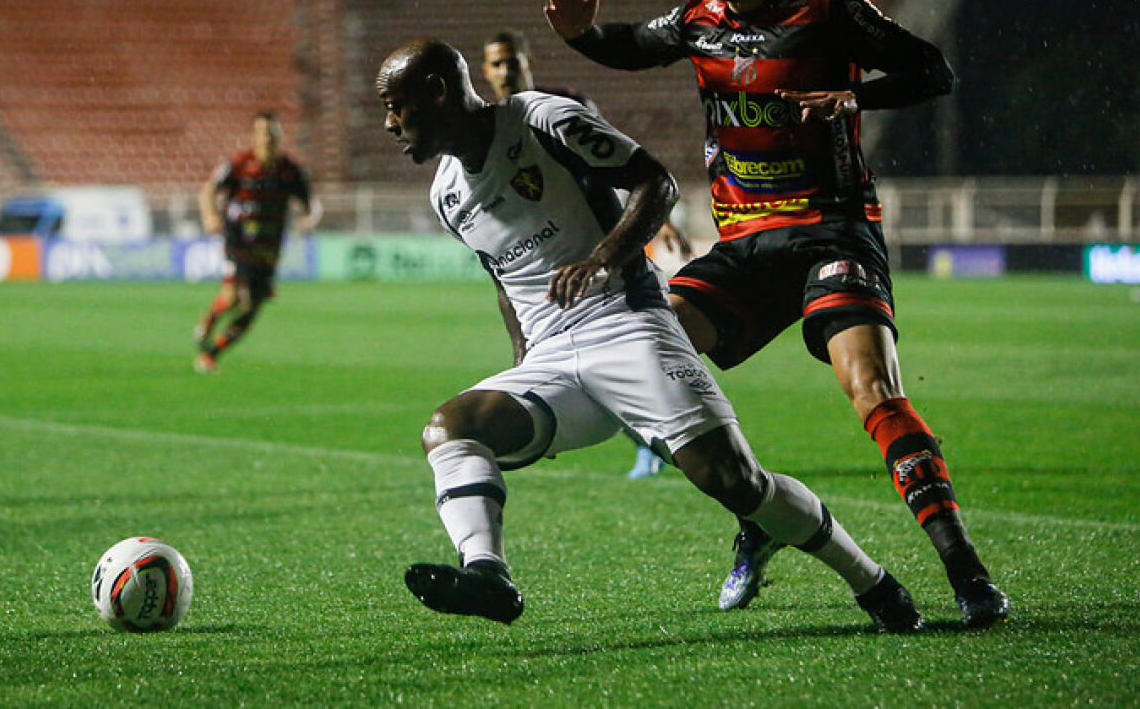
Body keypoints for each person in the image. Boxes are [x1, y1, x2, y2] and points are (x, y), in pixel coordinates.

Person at [543, 0, 1008, 629]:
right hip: (744, 245)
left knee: (873, 392)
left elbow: (934, 70)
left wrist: (853, 94)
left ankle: (966, 570)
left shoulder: (830, 7)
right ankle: (761, 511)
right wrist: (583, 36)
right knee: (649, 355)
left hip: (832, 228)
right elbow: (634, 45)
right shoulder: (700, 11)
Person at [378, 37, 923, 632]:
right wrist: (522, 362)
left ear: (436, 92)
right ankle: (487, 573)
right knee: (451, 428)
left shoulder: (541, 118)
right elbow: (505, 282)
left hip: (628, 323)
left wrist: (606, 259)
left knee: (735, 482)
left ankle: (872, 582)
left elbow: (655, 183)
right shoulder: (446, 195)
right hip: (553, 359)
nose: (389, 122)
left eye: (395, 104)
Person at [481, 29, 693, 479]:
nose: (506, 71)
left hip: (600, 259)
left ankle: (677, 435)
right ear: (485, 72)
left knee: (626, 352)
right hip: (541, 272)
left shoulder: (563, 105)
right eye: (496, 64)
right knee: (577, 366)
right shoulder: (487, 129)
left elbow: (621, 162)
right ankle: (650, 439)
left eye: (512, 61)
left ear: (528, 61)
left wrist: (662, 219)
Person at [193, 111, 321, 372]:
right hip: (238, 242)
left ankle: (213, 353)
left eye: (272, 133)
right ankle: (210, 319)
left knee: (252, 309)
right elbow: (209, 190)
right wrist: (209, 215)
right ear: (254, 136)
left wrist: (310, 220)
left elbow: (310, 204)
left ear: (280, 136)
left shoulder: (290, 171)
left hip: (269, 250)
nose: (267, 138)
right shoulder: (240, 163)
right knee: (233, 298)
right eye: (262, 132)